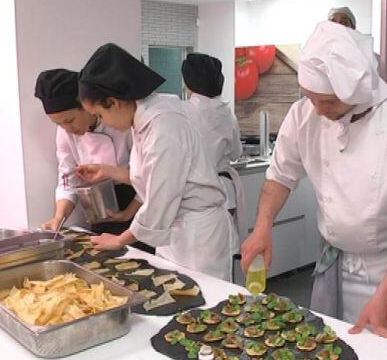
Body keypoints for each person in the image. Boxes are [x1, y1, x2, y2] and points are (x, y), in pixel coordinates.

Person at [240, 21, 387, 344]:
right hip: (336, 260)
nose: (317, 110)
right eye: (310, 98)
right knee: (331, 349)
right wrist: (263, 226)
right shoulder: (305, 113)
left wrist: (384, 295)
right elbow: (280, 176)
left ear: (356, 93)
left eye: (327, 102)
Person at [76, 43, 237, 280]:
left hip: (197, 237)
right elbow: (149, 177)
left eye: (100, 115)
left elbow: (161, 198)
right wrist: (106, 171)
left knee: (204, 305)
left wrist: (119, 240)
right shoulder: (144, 121)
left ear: (115, 102)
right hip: (176, 232)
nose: (103, 122)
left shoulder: (164, 126)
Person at [34, 68, 140, 235]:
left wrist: (128, 214)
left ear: (85, 106)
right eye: (59, 124)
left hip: (135, 202)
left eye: (69, 121)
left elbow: (148, 179)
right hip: (97, 207)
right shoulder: (64, 131)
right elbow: (67, 180)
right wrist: (58, 218)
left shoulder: (122, 124)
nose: (67, 129)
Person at [180, 52, 245, 235]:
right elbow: (236, 153)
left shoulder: (181, 111)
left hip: (195, 196)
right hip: (226, 192)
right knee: (227, 250)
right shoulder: (227, 112)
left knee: (202, 254)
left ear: (188, 81)